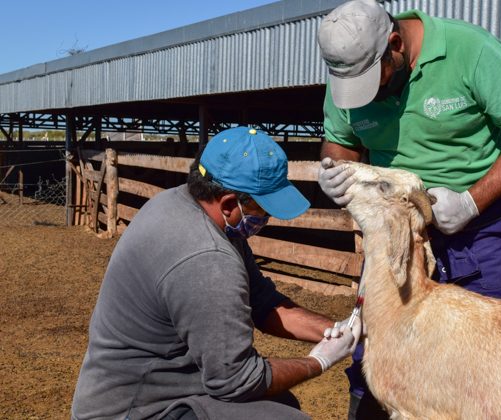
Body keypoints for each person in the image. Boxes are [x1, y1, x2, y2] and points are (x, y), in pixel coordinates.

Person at [316, 0, 501, 417]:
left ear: (395, 44)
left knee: (488, 365)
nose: (367, 94)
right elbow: (340, 142)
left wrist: (471, 201)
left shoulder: (470, 50)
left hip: (481, 230)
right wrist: (334, 172)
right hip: (397, 233)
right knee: (378, 358)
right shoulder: (351, 69)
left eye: (376, 79)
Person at [71, 126, 361, 420]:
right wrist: (318, 361)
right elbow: (237, 379)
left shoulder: (183, 204)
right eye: (264, 208)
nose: (267, 218)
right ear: (229, 203)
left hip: (159, 384)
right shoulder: (207, 258)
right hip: (136, 407)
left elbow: (263, 302)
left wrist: (337, 330)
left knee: (282, 402)